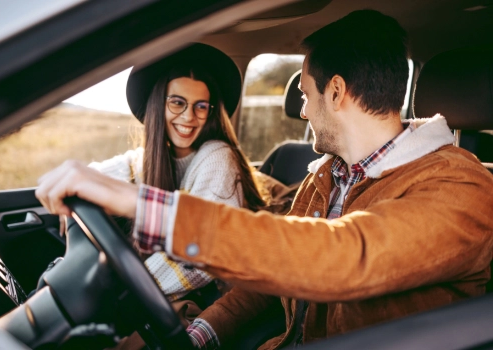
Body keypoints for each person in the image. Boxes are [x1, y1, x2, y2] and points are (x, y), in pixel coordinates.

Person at [36, 9, 493, 349]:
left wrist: (141, 204)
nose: (303, 110)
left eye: (305, 93)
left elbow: (338, 255)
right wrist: (199, 335)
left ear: (335, 91)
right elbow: (271, 281)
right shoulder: (328, 178)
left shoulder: (461, 188)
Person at [77, 43, 267, 308]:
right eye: (177, 102)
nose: (189, 117)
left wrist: (124, 292)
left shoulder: (217, 156)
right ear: (158, 104)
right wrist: (75, 189)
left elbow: (202, 254)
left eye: (201, 106)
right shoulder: (151, 159)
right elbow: (97, 175)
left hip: (223, 298)